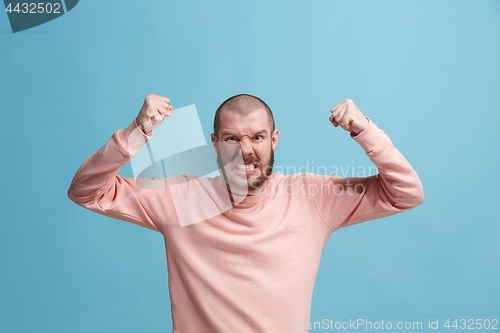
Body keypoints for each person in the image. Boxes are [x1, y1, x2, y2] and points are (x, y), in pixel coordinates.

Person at [68, 93, 424, 332]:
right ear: (214, 143)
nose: (245, 150)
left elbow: (405, 194)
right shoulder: (182, 198)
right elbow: (86, 191)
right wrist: (136, 132)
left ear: (275, 140)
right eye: (231, 139)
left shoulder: (311, 196)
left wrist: (365, 131)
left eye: (256, 137)